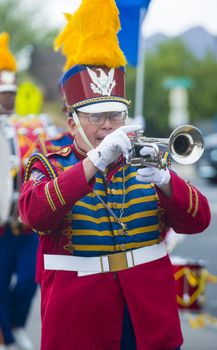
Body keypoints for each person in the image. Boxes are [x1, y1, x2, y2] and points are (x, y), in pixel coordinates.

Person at [18, 1, 211, 349]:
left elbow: (199, 221)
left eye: (116, 116)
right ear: (71, 121)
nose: (108, 127)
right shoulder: (48, 166)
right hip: (80, 322)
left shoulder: (147, 162)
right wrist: (93, 163)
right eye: (96, 117)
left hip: (149, 319)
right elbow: (35, 214)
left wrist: (168, 182)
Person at [0, 32, 37, 350]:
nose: (9, 99)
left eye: (12, 93)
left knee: (29, 276)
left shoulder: (22, 126)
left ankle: (14, 324)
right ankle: (5, 335)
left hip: (23, 221)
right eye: (4, 93)